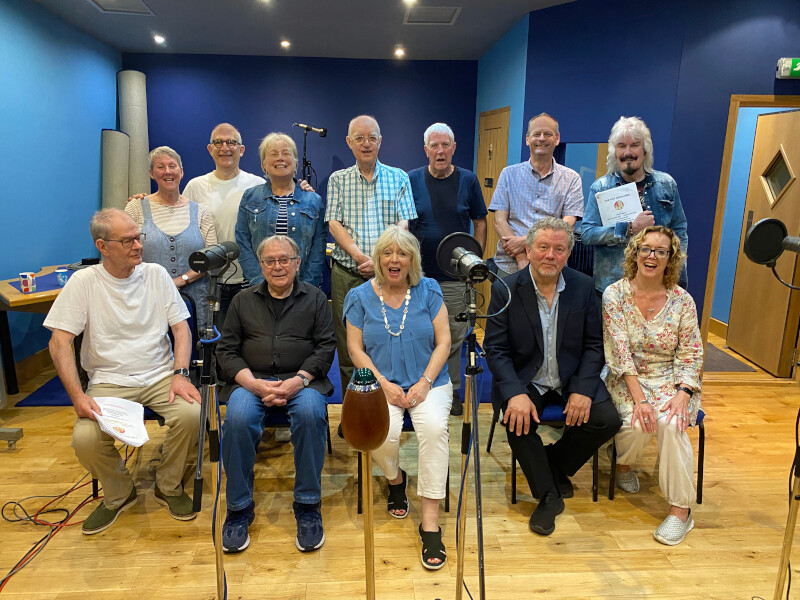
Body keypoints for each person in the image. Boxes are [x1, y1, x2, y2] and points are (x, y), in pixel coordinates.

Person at [44, 209, 202, 534]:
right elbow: (59, 343)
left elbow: (182, 330)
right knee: (85, 438)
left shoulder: (156, 275)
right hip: (108, 382)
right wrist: (77, 396)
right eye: (127, 240)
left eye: (138, 236)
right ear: (103, 246)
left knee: (193, 415)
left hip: (160, 374)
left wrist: (180, 373)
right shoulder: (84, 283)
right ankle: (119, 494)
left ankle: (168, 485)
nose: (138, 245)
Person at [483, 217, 620, 536]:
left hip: (570, 377)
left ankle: (551, 463)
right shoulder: (507, 289)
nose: (550, 255)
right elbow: (496, 348)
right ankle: (548, 495)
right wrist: (514, 392)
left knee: (608, 419)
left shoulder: (584, 287)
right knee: (518, 421)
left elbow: (593, 343)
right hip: (524, 379)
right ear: (528, 250)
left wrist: (584, 389)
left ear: (568, 254)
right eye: (543, 247)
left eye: (559, 249)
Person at [216, 235, 335, 553]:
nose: (278, 266)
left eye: (285, 259)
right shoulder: (242, 301)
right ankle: (239, 508)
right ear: (261, 265)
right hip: (251, 382)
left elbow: (326, 347)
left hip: (302, 382)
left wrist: (298, 380)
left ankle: (308, 505)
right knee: (238, 417)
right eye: (270, 260)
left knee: (311, 414)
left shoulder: (315, 298)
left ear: (297, 263)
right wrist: (253, 384)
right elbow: (226, 351)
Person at [343, 226, 452, 570]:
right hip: (379, 385)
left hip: (429, 382)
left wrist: (424, 382)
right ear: (378, 260)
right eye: (388, 253)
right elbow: (355, 349)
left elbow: (444, 342)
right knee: (379, 437)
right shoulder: (359, 296)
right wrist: (384, 385)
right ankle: (396, 480)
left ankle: (430, 525)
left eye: (402, 253)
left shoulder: (429, 290)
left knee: (434, 430)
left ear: (412, 260)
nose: (395, 259)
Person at [602, 226, 702, 546]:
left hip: (671, 378)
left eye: (661, 251)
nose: (652, 256)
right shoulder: (615, 294)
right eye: (646, 248)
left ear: (670, 259)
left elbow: (691, 353)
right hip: (627, 377)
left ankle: (680, 512)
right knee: (637, 422)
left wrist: (683, 392)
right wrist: (641, 400)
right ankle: (622, 463)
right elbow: (619, 354)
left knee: (672, 424)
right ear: (635, 252)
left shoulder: (682, 301)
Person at [325, 115, 417, 392]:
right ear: (349, 143)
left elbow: (404, 222)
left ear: (380, 141)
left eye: (372, 137)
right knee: (348, 346)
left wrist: (380, 260)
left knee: (389, 339)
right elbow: (333, 222)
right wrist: (359, 257)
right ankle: (354, 409)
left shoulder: (398, 177)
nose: (366, 144)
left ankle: (388, 406)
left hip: (390, 275)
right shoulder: (337, 180)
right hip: (346, 274)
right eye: (359, 138)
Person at [409, 122, 487, 417]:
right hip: (418, 274)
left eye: (445, 145)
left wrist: (474, 261)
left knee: (454, 335)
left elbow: (480, 221)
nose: (440, 151)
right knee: (421, 333)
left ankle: (452, 389)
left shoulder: (468, 180)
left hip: (455, 276)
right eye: (434, 146)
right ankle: (422, 385)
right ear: (426, 149)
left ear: (453, 148)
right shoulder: (412, 179)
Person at [582, 116, 689, 295]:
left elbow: (679, 229)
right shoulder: (601, 188)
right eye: (622, 146)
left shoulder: (667, 184)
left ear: (645, 149)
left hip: (659, 286)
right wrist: (629, 228)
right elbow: (587, 234)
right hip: (614, 287)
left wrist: (678, 271)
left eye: (635, 145)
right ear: (615, 152)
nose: (628, 152)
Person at [125, 146, 217, 332]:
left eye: (172, 166)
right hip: (147, 300)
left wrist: (181, 279)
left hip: (195, 304)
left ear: (181, 172)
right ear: (151, 173)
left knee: (193, 355)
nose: (167, 171)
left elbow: (212, 259)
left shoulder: (202, 211)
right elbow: (124, 252)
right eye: (160, 167)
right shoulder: (135, 208)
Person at [182, 123, 266, 327]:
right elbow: (173, 212)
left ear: (242, 149)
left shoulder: (258, 186)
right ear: (210, 149)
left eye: (231, 142)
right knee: (215, 345)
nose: (224, 147)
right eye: (218, 142)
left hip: (249, 278)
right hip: (209, 281)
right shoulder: (195, 186)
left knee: (250, 341)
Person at [488, 113, 583, 277]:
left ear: (557, 138)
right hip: (509, 266)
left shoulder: (571, 178)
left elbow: (568, 224)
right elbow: (499, 221)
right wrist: (521, 257)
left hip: (551, 265)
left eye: (548, 134)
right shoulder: (508, 174)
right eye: (536, 134)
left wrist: (526, 241)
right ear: (527, 139)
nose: (541, 138)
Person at [236, 132, 327, 289]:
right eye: (273, 154)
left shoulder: (313, 201)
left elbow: (318, 250)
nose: (280, 158)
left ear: (295, 162)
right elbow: (242, 242)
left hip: (302, 288)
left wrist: (305, 287)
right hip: (258, 288)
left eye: (286, 153)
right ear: (264, 164)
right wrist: (259, 282)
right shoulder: (250, 197)